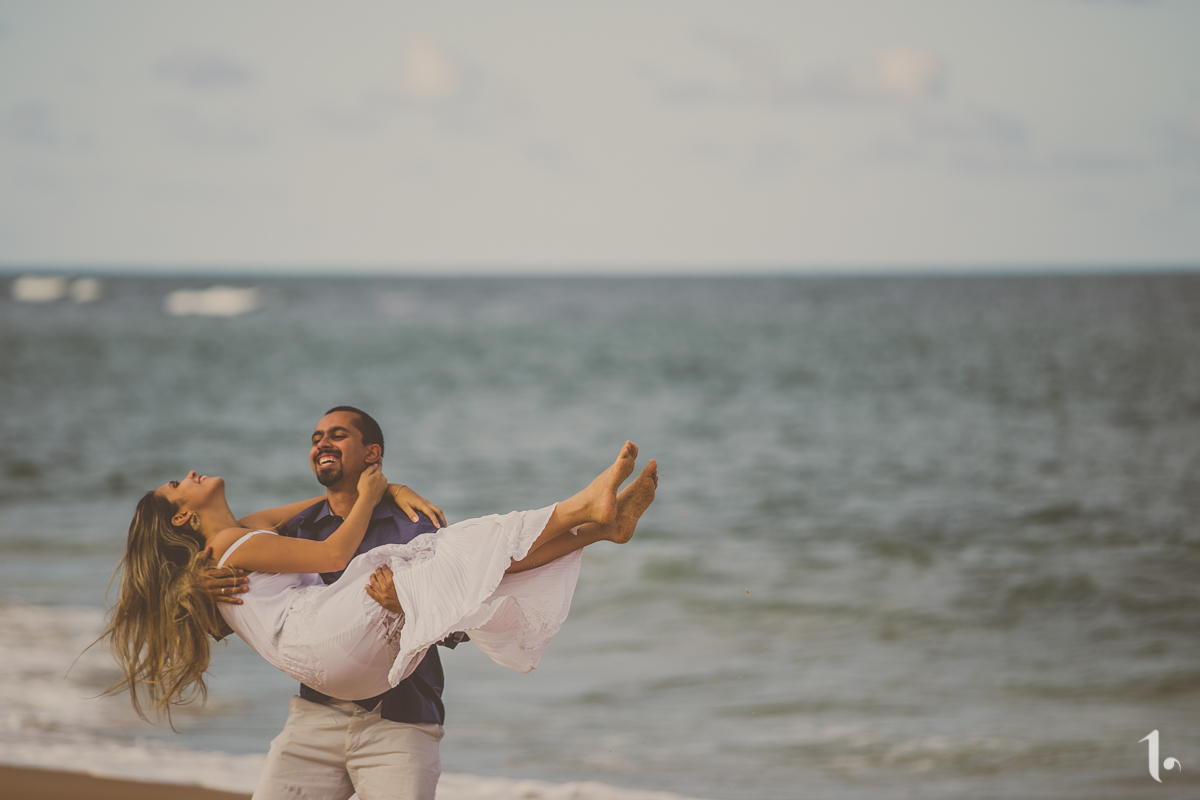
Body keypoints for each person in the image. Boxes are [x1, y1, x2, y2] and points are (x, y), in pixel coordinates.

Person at [101, 407, 658, 800]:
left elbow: (461, 608)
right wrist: (189, 583)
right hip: (316, 716)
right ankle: (585, 513)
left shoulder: (410, 521)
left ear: (372, 454)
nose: (322, 442)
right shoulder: (292, 531)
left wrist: (390, 509)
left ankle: (597, 525)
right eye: (316, 436)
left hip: (400, 720)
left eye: (337, 435)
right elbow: (237, 602)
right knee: (448, 556)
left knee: (457, 562)